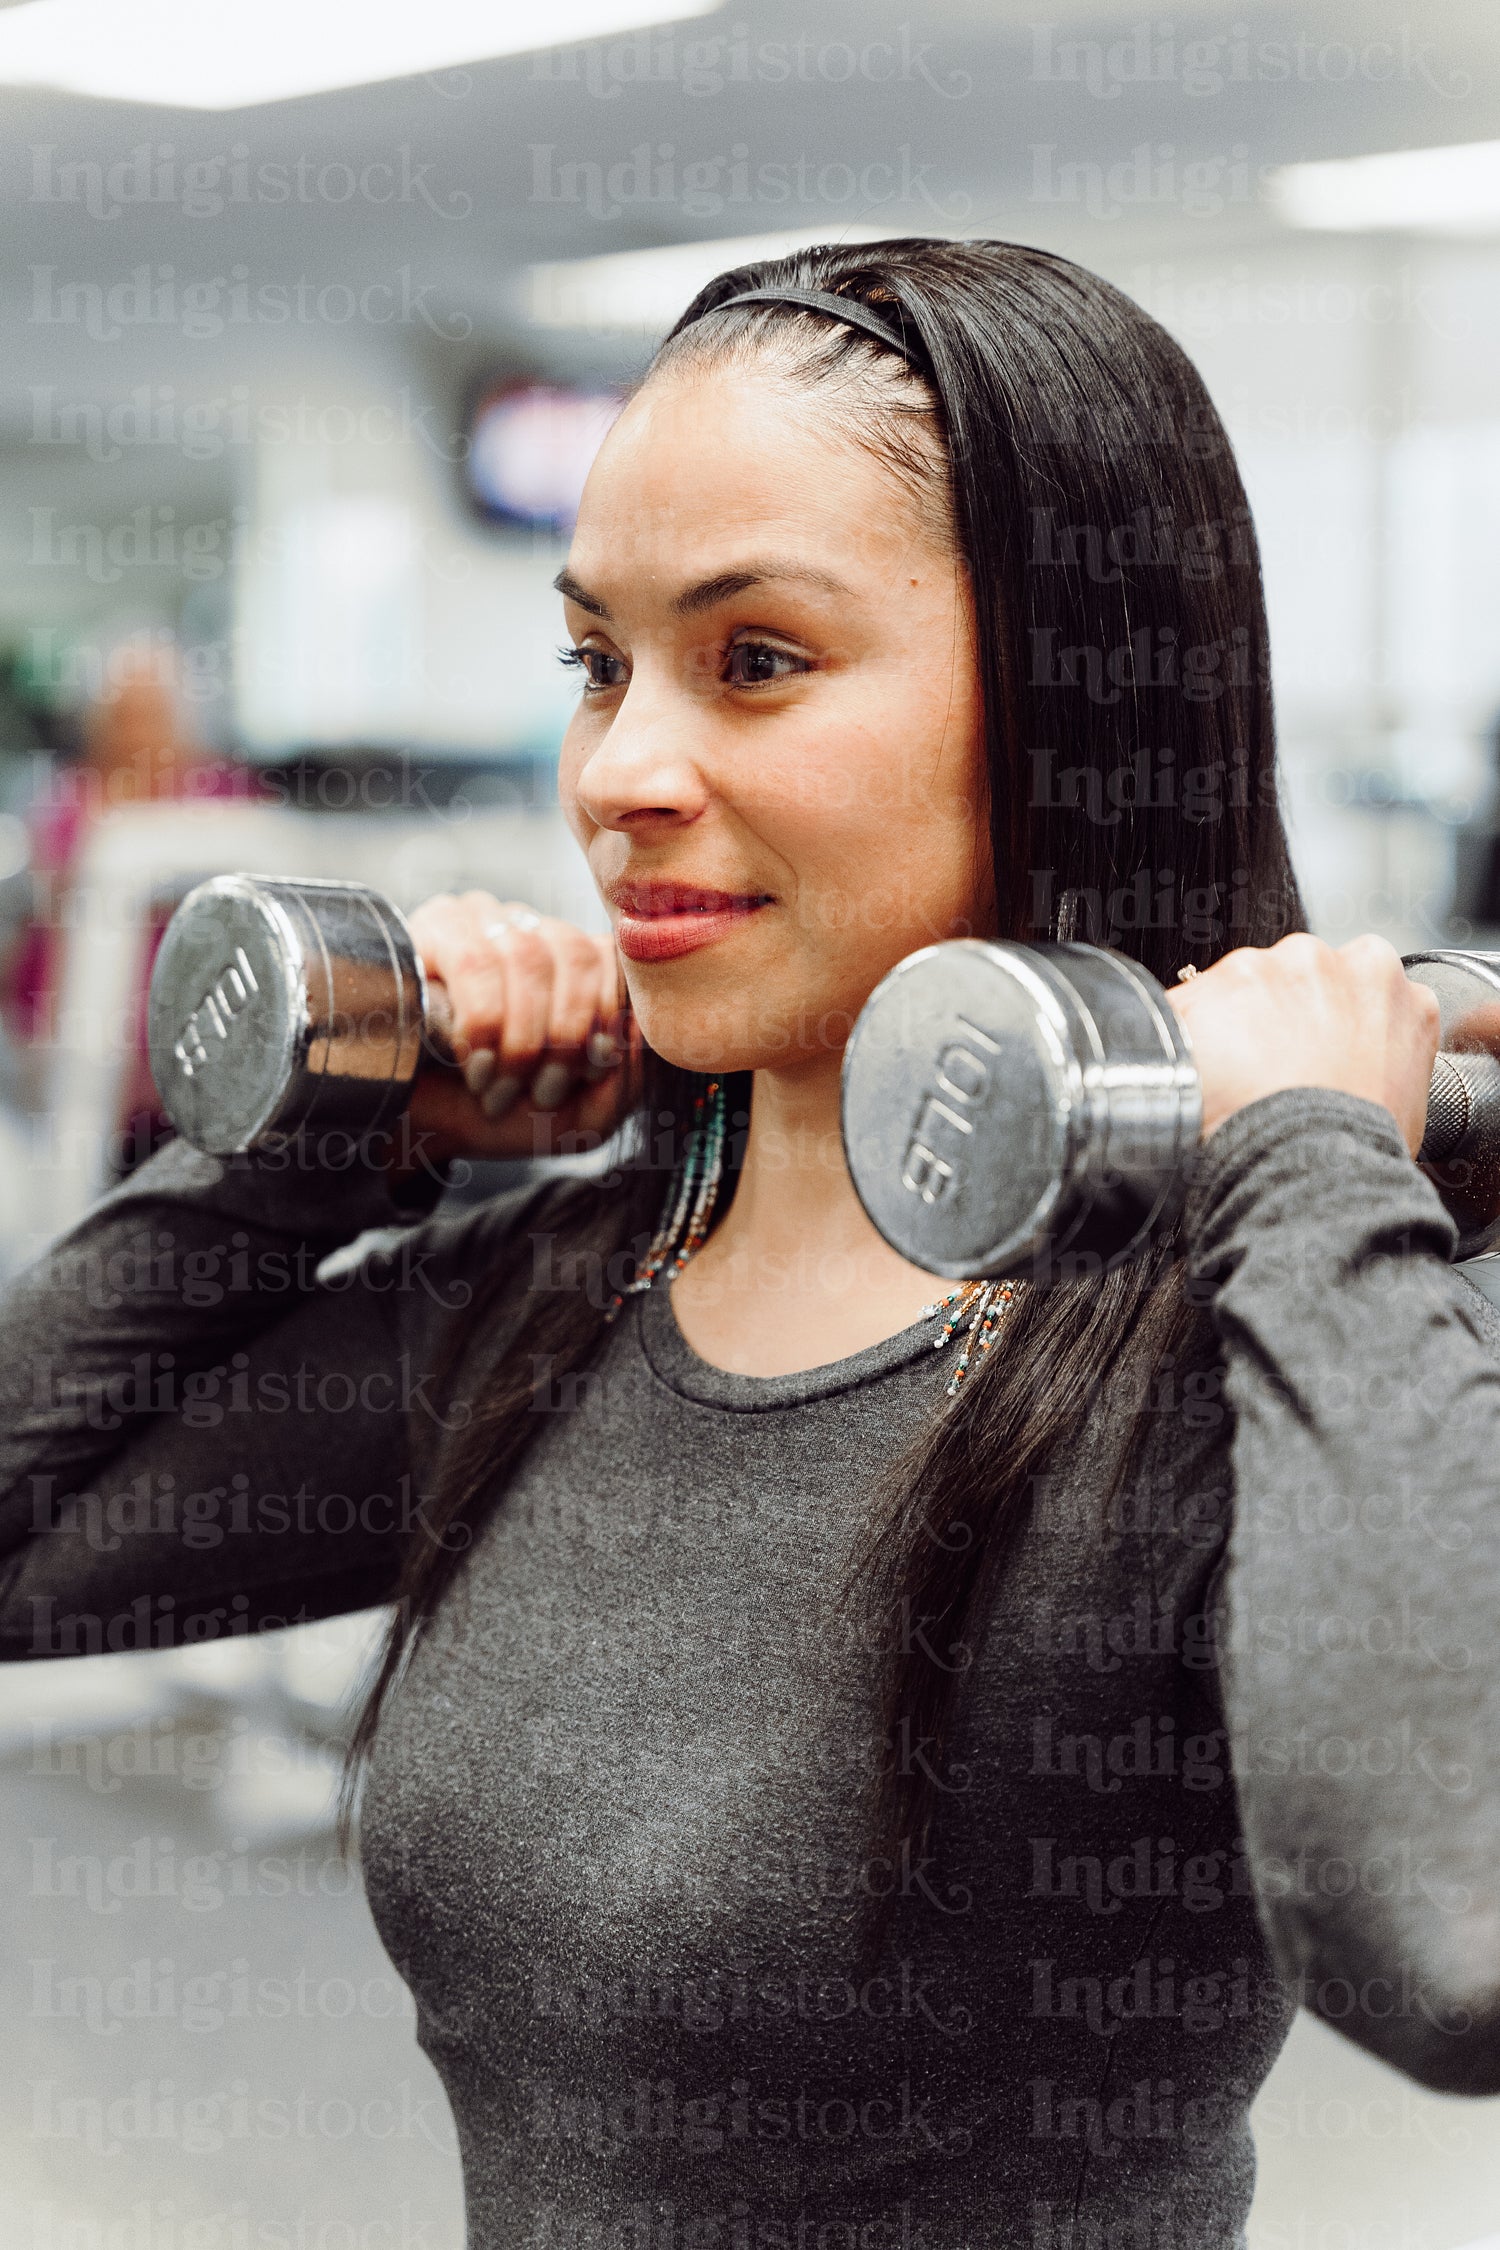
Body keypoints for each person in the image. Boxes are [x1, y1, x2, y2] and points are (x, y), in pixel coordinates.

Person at [1, 238, 1497, 2250]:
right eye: (597, 666)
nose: (621, 776)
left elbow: (1451, 1924)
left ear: (1082, 693)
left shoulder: (1279, 1331)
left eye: (756, 661)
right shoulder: (576, 1289)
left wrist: (1315, 1164)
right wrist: (326, 1148)